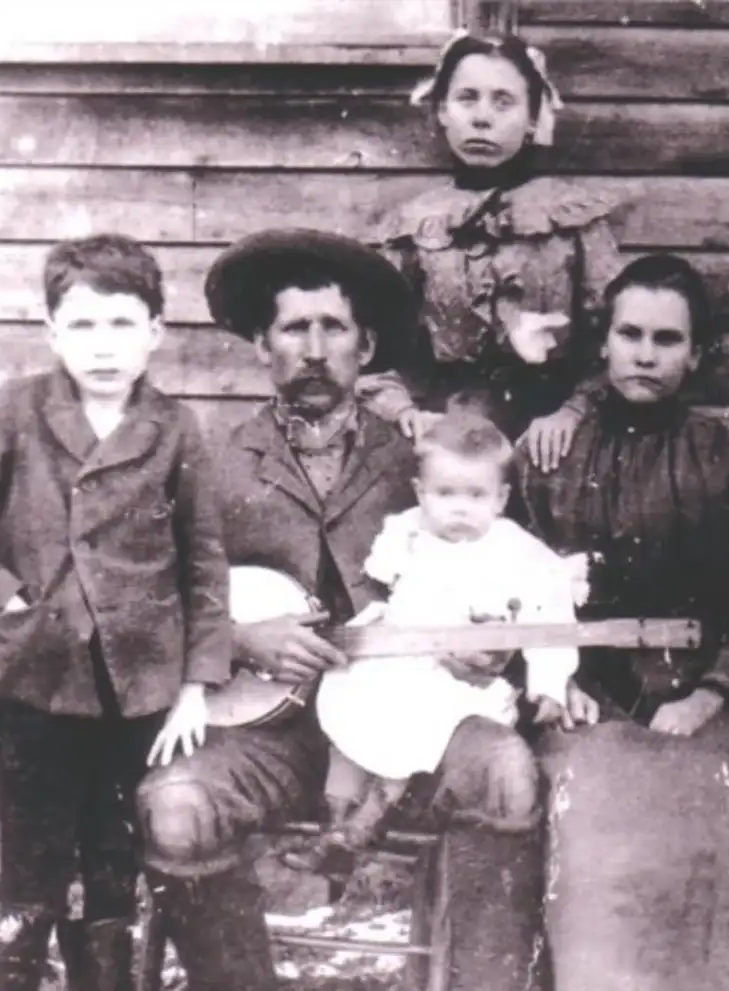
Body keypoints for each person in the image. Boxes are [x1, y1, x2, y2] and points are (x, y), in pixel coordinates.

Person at [135, 228, 589, 991]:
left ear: (366, 343)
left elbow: (513, 576)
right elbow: (146, 599)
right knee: (174, 810)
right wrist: (241, 636)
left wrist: (491, 648)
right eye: (293, 328)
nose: (314, 349)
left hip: (414, 719)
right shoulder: (209, 463)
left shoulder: (424, 463)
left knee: (507, 775)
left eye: (333, 327)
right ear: (260, 344)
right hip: (264, 730)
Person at [514, 252, 729, 990]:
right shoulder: (550, 450)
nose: (645, 353)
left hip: (703, 694)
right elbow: (510, 577)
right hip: (583, 691)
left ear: (694, 355)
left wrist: (712, 692)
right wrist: (557, 678)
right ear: (603, 344)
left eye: (667, 339)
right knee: (587, 810)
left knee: (716, 811)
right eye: (630, 333)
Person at [0, 234, 230, 991]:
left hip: (138, 684)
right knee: (32, 850)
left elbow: (203, 561)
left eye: (124, 324)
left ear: (157, 331)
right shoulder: (14, 413)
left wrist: (195, 682)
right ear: (52, 331)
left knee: (111, 850)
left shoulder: (175, 428)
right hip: (34, 673)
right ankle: (18, 969)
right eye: (84, 326)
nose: (104, 347)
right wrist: (9, 599)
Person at [291, 412, 579, 868]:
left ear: (501, 498)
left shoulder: (515, 550)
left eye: (476, 495)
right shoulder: (408, 530)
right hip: (395, 660)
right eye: (445, 494)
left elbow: (551, 613)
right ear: (422, 493)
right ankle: (336, 817)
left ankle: (365, 824)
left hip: (455, 678)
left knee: (420, 729)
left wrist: (549, 682)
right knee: (349, 711)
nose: (460, 509)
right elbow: (381, 575)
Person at [371, 30, 625, 464]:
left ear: (532, 118)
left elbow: (618, 334)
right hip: (447, 440)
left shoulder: (573, 219)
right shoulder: (413, 225)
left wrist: (572, 411)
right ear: (442, 112)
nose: (482, 117)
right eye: (467, 99)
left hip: (557, 437)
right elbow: (371, 343)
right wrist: (405, 413)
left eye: (503, 101)